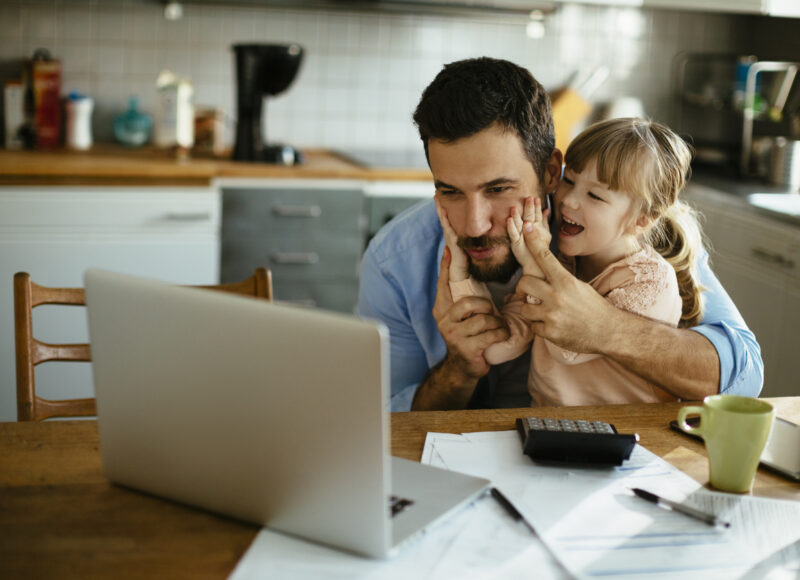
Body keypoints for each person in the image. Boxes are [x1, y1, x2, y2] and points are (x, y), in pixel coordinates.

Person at [357, 56, 763, 412]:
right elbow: (382, 422)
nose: (475, 225)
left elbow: (743, 374)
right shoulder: (396, 260)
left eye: (499, 190)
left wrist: (605, 328)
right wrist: (460, 368)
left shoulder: (626, 233)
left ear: (552, 172)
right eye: (450, 191)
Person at [440, 117, 703, 406]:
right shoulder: (564, 264)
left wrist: (533, 262)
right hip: (552, 430)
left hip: (627, 436)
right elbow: (496, 350)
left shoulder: (651, 282)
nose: (568, 201)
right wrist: (460, 273)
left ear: (642, 220)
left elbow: (568, 347)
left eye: (594, 195)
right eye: (569, 181)